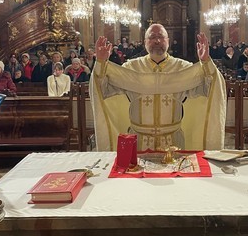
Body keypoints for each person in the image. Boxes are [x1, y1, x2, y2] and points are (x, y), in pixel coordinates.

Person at [90, 24, 226, 151]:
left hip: (173, 143)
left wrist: (206, 62)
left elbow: (210, 89)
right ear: (145, 42)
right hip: (139, 143)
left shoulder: (183, 68)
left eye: (160, 37)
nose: (157, 41)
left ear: (168, 40)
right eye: (152, 37)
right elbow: (103, 90)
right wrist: (101, 63)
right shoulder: (131, 68)